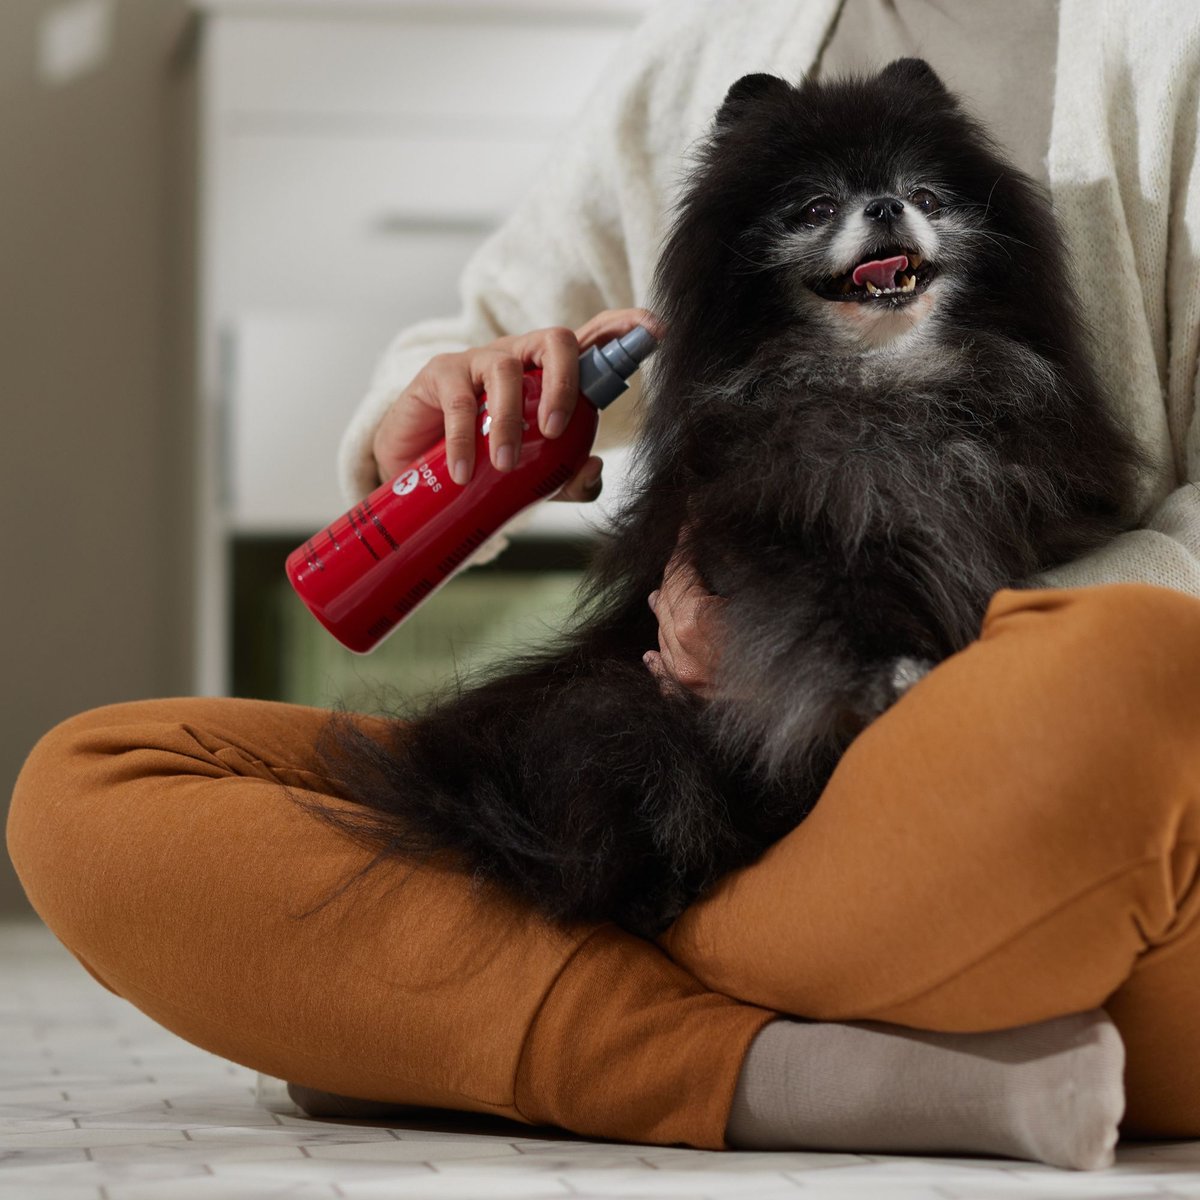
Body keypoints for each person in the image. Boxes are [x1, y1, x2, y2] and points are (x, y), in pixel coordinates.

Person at [9, 0, 1200, 1174]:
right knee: (93, 789)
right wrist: (440, 416)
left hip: (1017, 774)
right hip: (715, 794)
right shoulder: (708, 46)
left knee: (1127, 672)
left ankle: (461, 1015)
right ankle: (819, 1073)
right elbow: (490, 325)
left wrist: (885, 670)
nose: (883, 221)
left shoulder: (1171, 45)